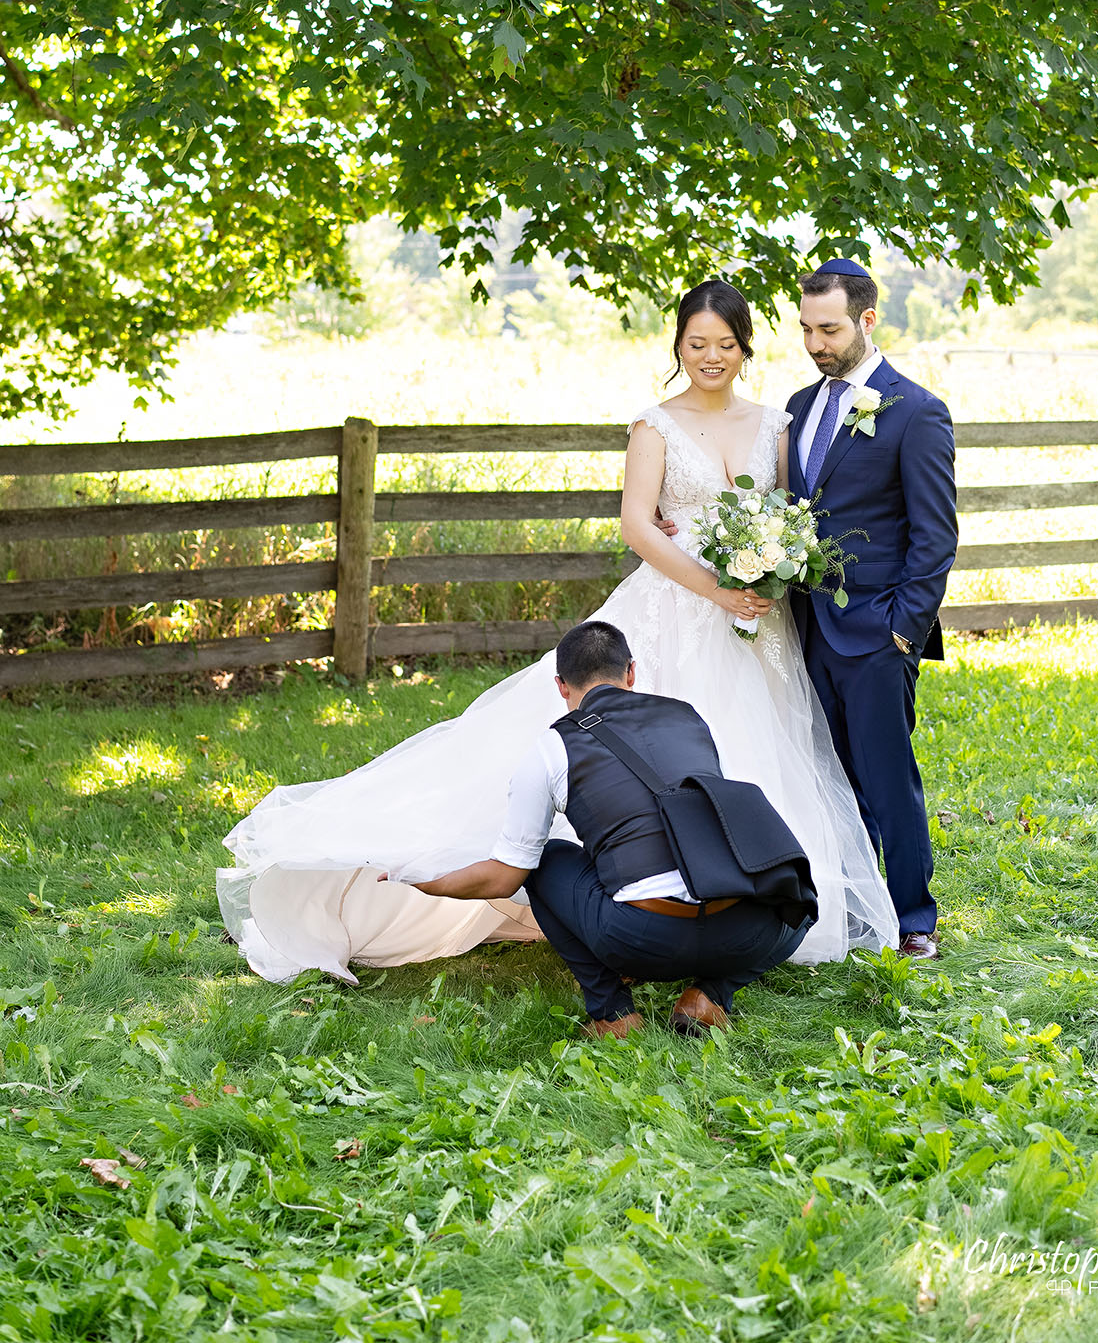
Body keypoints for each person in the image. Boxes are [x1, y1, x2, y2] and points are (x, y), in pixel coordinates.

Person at [218, 278, 898, 985]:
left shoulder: (772, 425)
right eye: (697, 344)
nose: (711, 357)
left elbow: (785, 511)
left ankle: (748, 892)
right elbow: (638, 524)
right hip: (673, 607)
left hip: (757, 621)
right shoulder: (654, 425)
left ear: (745, 348)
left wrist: (769, 572)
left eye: (725, 344)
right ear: (678, 346)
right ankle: (642, 889)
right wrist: (714, 588)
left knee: (755, 745)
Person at [405, 620, 815, 1036]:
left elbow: (505, 876)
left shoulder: (553, 747)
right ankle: (710, 996)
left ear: (561, 686)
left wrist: (428, 882)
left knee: (542, 859)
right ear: (631, 672)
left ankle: (612, 1013)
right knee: (800, 903)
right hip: (743, 931)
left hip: (641, 941)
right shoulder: (690, 719)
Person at [786, 258, 958, 960]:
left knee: (889, 782)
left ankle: (915, 920)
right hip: (801, 629)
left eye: (828, 329)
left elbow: (935, 536)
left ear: (866, 319)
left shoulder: (916, 410)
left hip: (878, 631)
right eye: (805, 329)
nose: (815, 343)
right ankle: (854, 911)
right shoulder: (798, 408)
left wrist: (902, 633)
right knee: (828, 780)